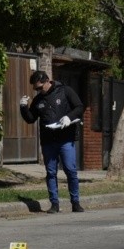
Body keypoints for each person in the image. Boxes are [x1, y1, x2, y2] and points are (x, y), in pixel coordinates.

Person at [20, 70, 85, 213]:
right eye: (35, 89)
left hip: (66, 138)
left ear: (47, 81)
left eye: (39, 87)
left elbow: (79, 107)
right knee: (51, 172)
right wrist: (23, 107)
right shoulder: (38, 100)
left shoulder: (65, 91)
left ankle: (75, 202)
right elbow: (31, 119)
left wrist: (69, 117)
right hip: (48, 140)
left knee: (70, 170)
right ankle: (54, 203)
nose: (38, 91)